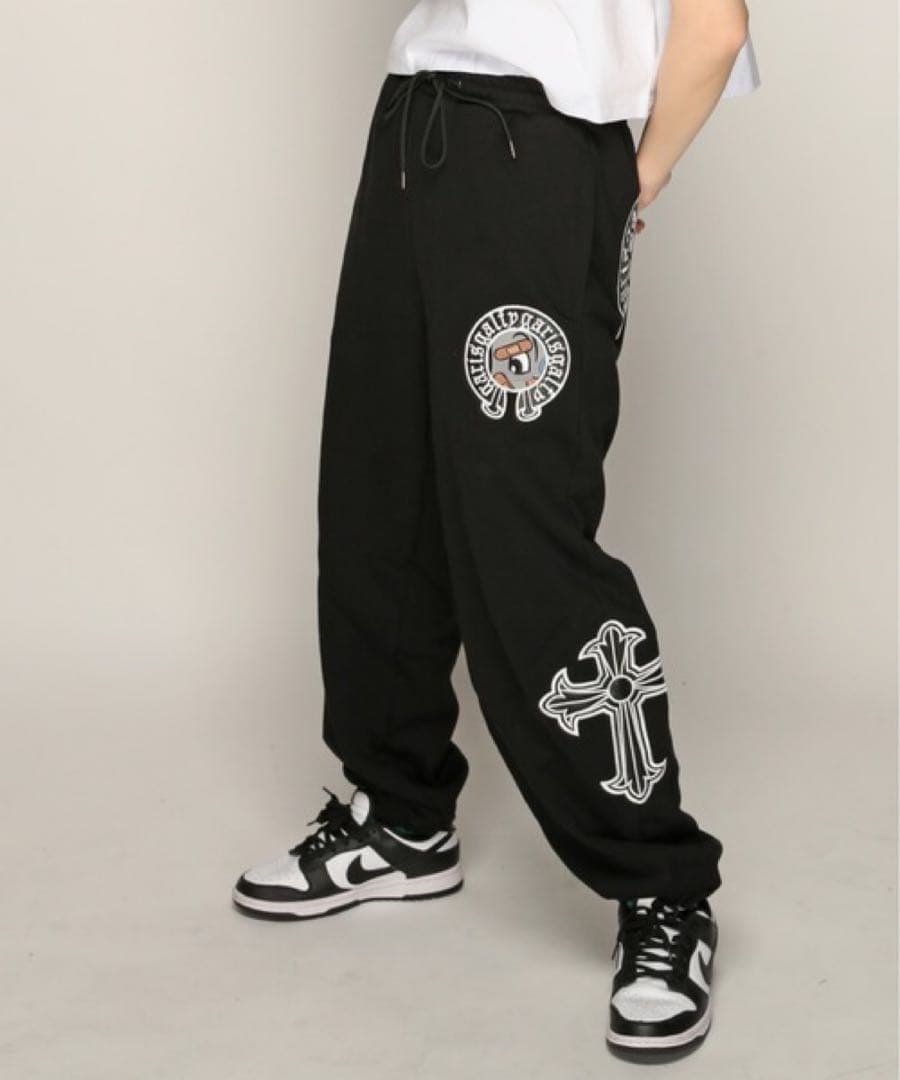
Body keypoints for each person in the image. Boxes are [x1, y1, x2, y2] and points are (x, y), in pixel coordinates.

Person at [233, 0, 759, 1060]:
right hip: (412, 125)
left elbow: (716, 26)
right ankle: (403, 812)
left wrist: (632, 179)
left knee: (521, 525)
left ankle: (661, 885)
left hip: (537, 154)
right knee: (381, 491)